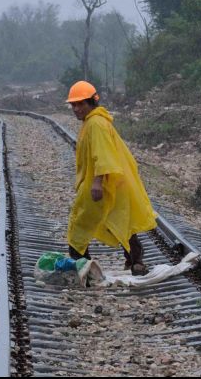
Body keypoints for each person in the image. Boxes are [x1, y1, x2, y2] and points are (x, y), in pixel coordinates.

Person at [65, 80, 157, 276]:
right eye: (73, 105)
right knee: (120, 220)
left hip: (102, 183)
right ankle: (136, 262)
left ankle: (82, 266)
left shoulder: (95, 124)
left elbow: (103, 155)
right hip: (113, 181)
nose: (76, 109)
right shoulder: (93, 121)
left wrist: (97, 183)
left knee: (80, 223)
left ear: (92, 102)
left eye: (81, 104)